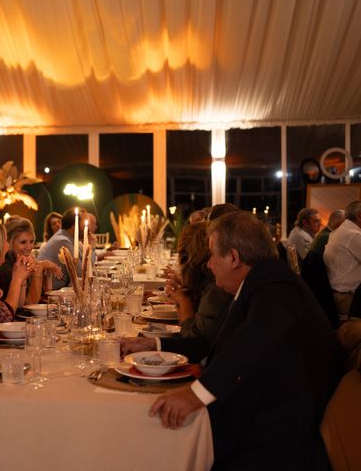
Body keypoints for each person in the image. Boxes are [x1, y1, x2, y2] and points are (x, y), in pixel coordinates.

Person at [130, 212, 339, 469]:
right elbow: (223, 344)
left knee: (154, 428)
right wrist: (170, 352)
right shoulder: (260, 281)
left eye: (212, 255)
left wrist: (197, 394)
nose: (207, 264)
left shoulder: (274, 287)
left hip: (278, 433)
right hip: (270, 407)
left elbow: (256, 339)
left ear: (233, 257)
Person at [162, 221, 233, 360]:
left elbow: (191, 344)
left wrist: (184, 301)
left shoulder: (215, 290)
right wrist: (181, 296)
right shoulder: (205, 285)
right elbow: (185, 329)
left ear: (187, 256)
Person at [0, 216, 61, 307]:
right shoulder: (5, 266)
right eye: (23, 242)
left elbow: (45, 295)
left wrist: (47, 276)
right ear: (8, 242)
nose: (29, 247)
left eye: (31, 241)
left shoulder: (23, 260)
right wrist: (39, 267)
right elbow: (30, 304)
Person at [38, 208, 96, 290]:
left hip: (62, 289)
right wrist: (92, 248)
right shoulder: (63, 241)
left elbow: (87, 265)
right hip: (51, 294)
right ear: (74, 226)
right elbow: (82, 273)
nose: (88, 228)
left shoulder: (66, 238)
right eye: (84, 224)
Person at [324, 201, 361, 320]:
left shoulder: (338, 232)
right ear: (359, 215)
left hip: (338, 296)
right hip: (349, 300)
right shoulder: (353, 235)